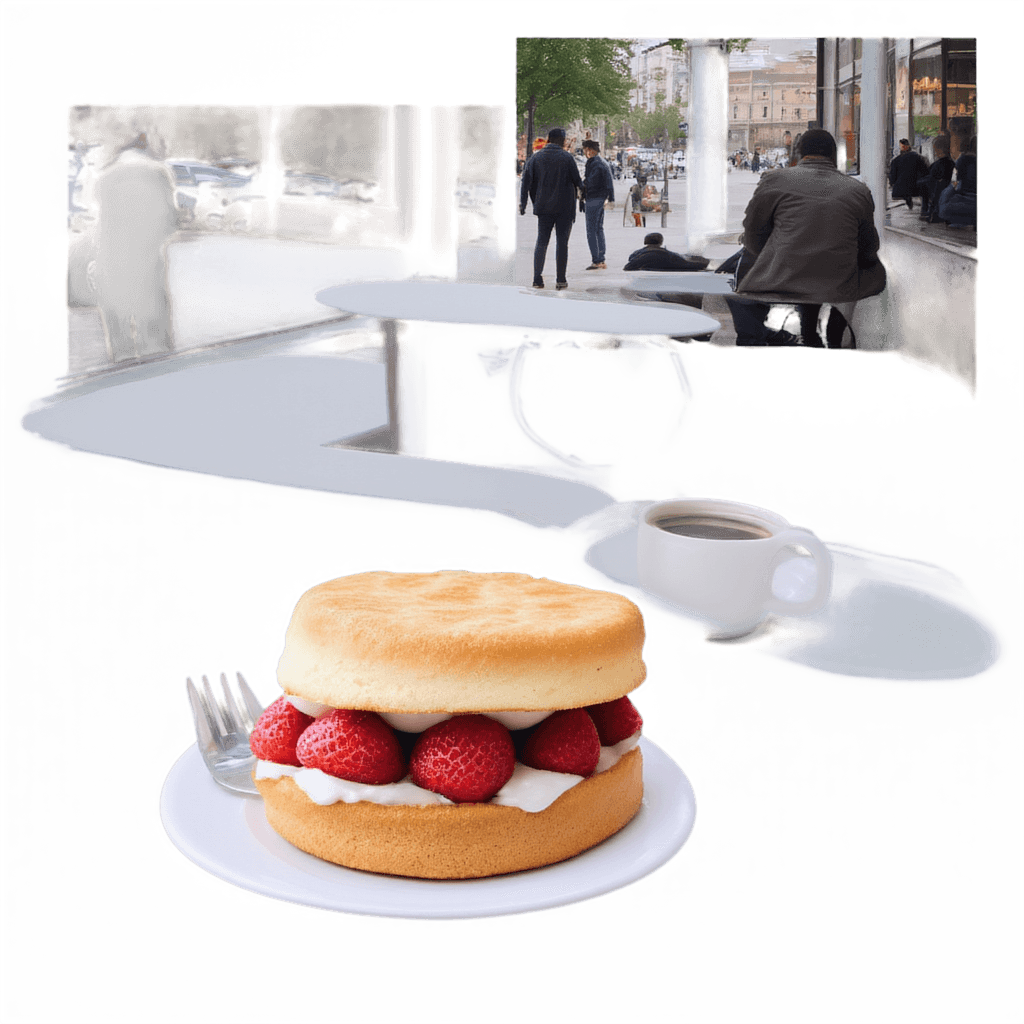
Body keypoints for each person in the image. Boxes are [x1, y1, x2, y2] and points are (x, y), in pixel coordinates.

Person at [724, 128, 886, 348]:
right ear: (834, 154)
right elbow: (869, 247)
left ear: (799, 153)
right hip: (837, 282)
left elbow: (752, 234)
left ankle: (781, 334)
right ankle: (832, 330)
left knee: (748, 282)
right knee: (869, 275)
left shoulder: (774, 180)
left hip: (784, 279)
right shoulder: (858, 190)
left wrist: (773, 254)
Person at [91, 157, 179, 361]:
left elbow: (99, 226)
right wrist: (149, 245)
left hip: (110, 273)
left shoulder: (108, 182)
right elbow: (170, 222)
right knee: (155, 353)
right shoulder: (152, 178)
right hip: (147, 275)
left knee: (121, 354)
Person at [519, 127, 583, 290]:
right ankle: (560, 279)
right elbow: (578, 181)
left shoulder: (536, 158)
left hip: (543, 207)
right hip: (564, 208)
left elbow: (526, 182)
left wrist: (523, 203)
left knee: (541, 241)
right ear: (561, 140)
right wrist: (584, 197)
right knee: (562, 243)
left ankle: (537, 278)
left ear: (548, 139)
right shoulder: (567, 158)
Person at [623, 232, 711, 310]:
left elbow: (627, 267)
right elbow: (685, 265)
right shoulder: (666, 255)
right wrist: (706, 265)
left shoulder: (637, 255)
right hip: (665, 286)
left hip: (645, 287)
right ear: (661, 242)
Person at [580, 140, 615, 270]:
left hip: (594, 199)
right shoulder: (601, 163)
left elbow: (590, 183)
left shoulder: (596, 164)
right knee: (598, 229)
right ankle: (601, 258)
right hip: (600, 199)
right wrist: (611, 198)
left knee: (591, 230)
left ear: (590, 150)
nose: (584, 152)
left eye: (584, 149)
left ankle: (597, 260)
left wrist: (580, 186)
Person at [918, 137, 955, 222]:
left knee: (921, 184)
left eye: (935, 149)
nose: (934, 152)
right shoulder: (951, 163)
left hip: (935, 188)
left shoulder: (939, 164)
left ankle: (926, 210)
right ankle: (927, 210)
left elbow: (931, 176)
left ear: (939, 150)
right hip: (941, 186)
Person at [889, 138, 928, 210]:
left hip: (900, 189)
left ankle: (909, 202)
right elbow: (925, 171)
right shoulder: (917, 157)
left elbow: (892, 177)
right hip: (915, 187)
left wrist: (892, 184)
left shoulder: (896, 160)